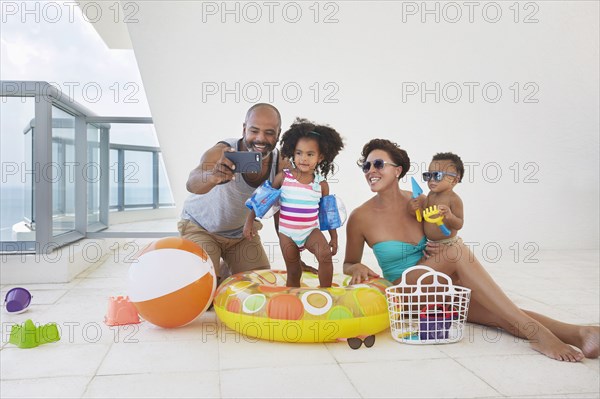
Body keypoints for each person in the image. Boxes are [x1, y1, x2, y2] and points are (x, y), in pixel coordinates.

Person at [343, 138, 599, 362]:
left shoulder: (421, 200)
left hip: (440, 285)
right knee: (456, 251)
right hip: (404, 293)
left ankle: (579, 333)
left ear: (397, 170)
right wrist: (356, 266)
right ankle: (538, 334)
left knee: (498, 315)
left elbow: (447, 233)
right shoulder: (360, 217)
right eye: (366, 166)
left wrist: (438, 239)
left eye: (378, 164)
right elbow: (348, 263)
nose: (370, 171)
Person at [179, 103, 291, 282]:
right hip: (201, 227)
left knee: (258, 287)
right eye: (254, 130)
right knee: (203, 290)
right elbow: (191, 184)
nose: (260, 139)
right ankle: (215, 270)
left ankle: (223, 269)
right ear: (244, 128)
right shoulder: (222, 152)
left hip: (241, 235)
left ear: (278, 134)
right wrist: (213, 176)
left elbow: (283, 215)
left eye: (269, 132)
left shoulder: (281, 164)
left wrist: (294, 260)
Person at [244, 118, 344, 287]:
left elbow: (328, 213)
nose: (303, 158)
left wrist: (334, 237)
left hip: (310, 231)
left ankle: (327, 294)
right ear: (292, 153)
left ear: (320, 157)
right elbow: (261, 200)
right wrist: (249, 221)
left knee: (325, 256)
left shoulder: (321, 184)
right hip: (287, 234)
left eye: (310, 154)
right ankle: (292, 300)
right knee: (294, 270)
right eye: (299, 153)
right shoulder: (283, 177)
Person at [409, 152, 464, 244]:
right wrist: (415, 209)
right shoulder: (431, 195)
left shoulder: (454, 199)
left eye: (437, 175)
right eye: (428, 175)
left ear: (454, 180)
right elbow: (424, 215)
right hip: (430, 243)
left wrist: (450, 216)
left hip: (448, 243)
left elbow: (459, 224)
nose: (431, 179)